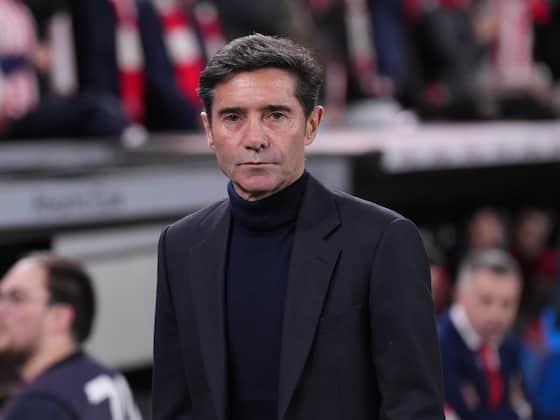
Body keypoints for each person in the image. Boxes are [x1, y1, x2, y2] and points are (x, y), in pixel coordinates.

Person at [152, 33, 443, 420]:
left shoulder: (383, 241)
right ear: (208, 130)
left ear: (312, 124)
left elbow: (414, 408)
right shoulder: (180, 246)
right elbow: (174, 406)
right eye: (233, 117)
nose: (254, 138)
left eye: (275, 115)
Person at [0, 254, 142, 420]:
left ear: (59, 317)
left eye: (16, 298)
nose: (1, 309)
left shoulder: (41, 403)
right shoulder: (100, 377)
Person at [438, 248, 531, 420]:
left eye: (507, 304)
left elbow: (526, 407)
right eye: (486, 301)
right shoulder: (436, 346)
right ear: (459, 296)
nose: (497, 315)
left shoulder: (508, 344)